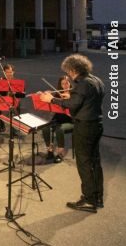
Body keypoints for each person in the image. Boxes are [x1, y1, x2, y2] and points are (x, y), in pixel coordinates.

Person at [40, 54, 105, 212]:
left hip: (85, 126)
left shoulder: (82, 83)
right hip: (97, 124)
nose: (68, 74)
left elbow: (73, 105)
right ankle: (97, 196)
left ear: (74, 69)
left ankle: (89, 199)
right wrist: (72, 96)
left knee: (83, 163)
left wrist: (51, 99)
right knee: (94, 161)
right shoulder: (96, 80)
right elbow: (85, 100)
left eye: (69, 71)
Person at [41, 75, 73, 163]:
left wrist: (69, 98)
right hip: (57, 119)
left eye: (67, 83)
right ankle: (50, 150)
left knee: (60, 129)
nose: (65, 85)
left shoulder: (75, 95)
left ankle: (60, 153)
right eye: (63, 84)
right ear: (60, 85)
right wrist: (45, 95)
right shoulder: (57, 94)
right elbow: (47, 99)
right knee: (45, 127)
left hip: (70, 121)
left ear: (70, 83)